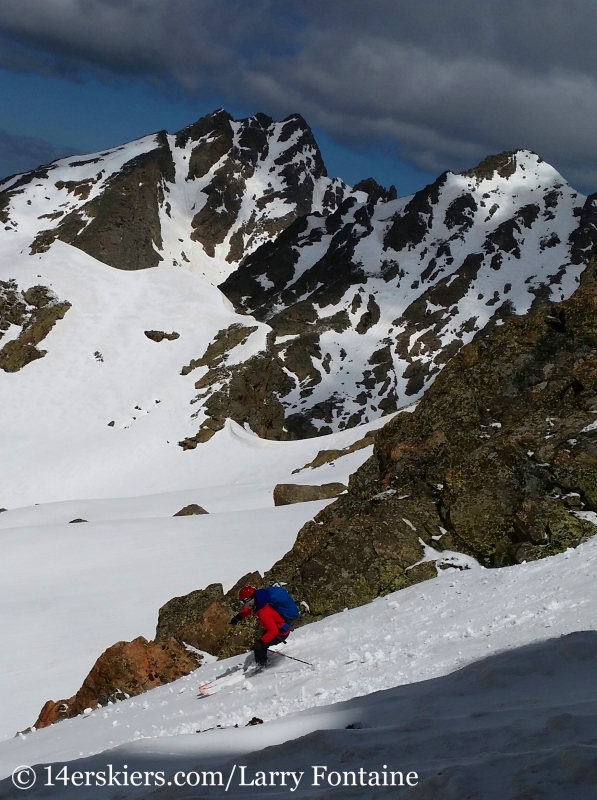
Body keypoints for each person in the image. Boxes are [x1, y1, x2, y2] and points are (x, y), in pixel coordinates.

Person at [230, 585, 296, 669]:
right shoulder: (260, 603)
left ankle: (262, 665)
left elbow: (273, 631)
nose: (244, 605)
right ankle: (262, 659)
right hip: (278, 628)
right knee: (260, 644)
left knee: (259, 646)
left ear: (250, 600)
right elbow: (249, 610)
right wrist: (239, 617)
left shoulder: (264, 613)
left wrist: (261, 643)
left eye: (244, 602)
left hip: (280, 633)